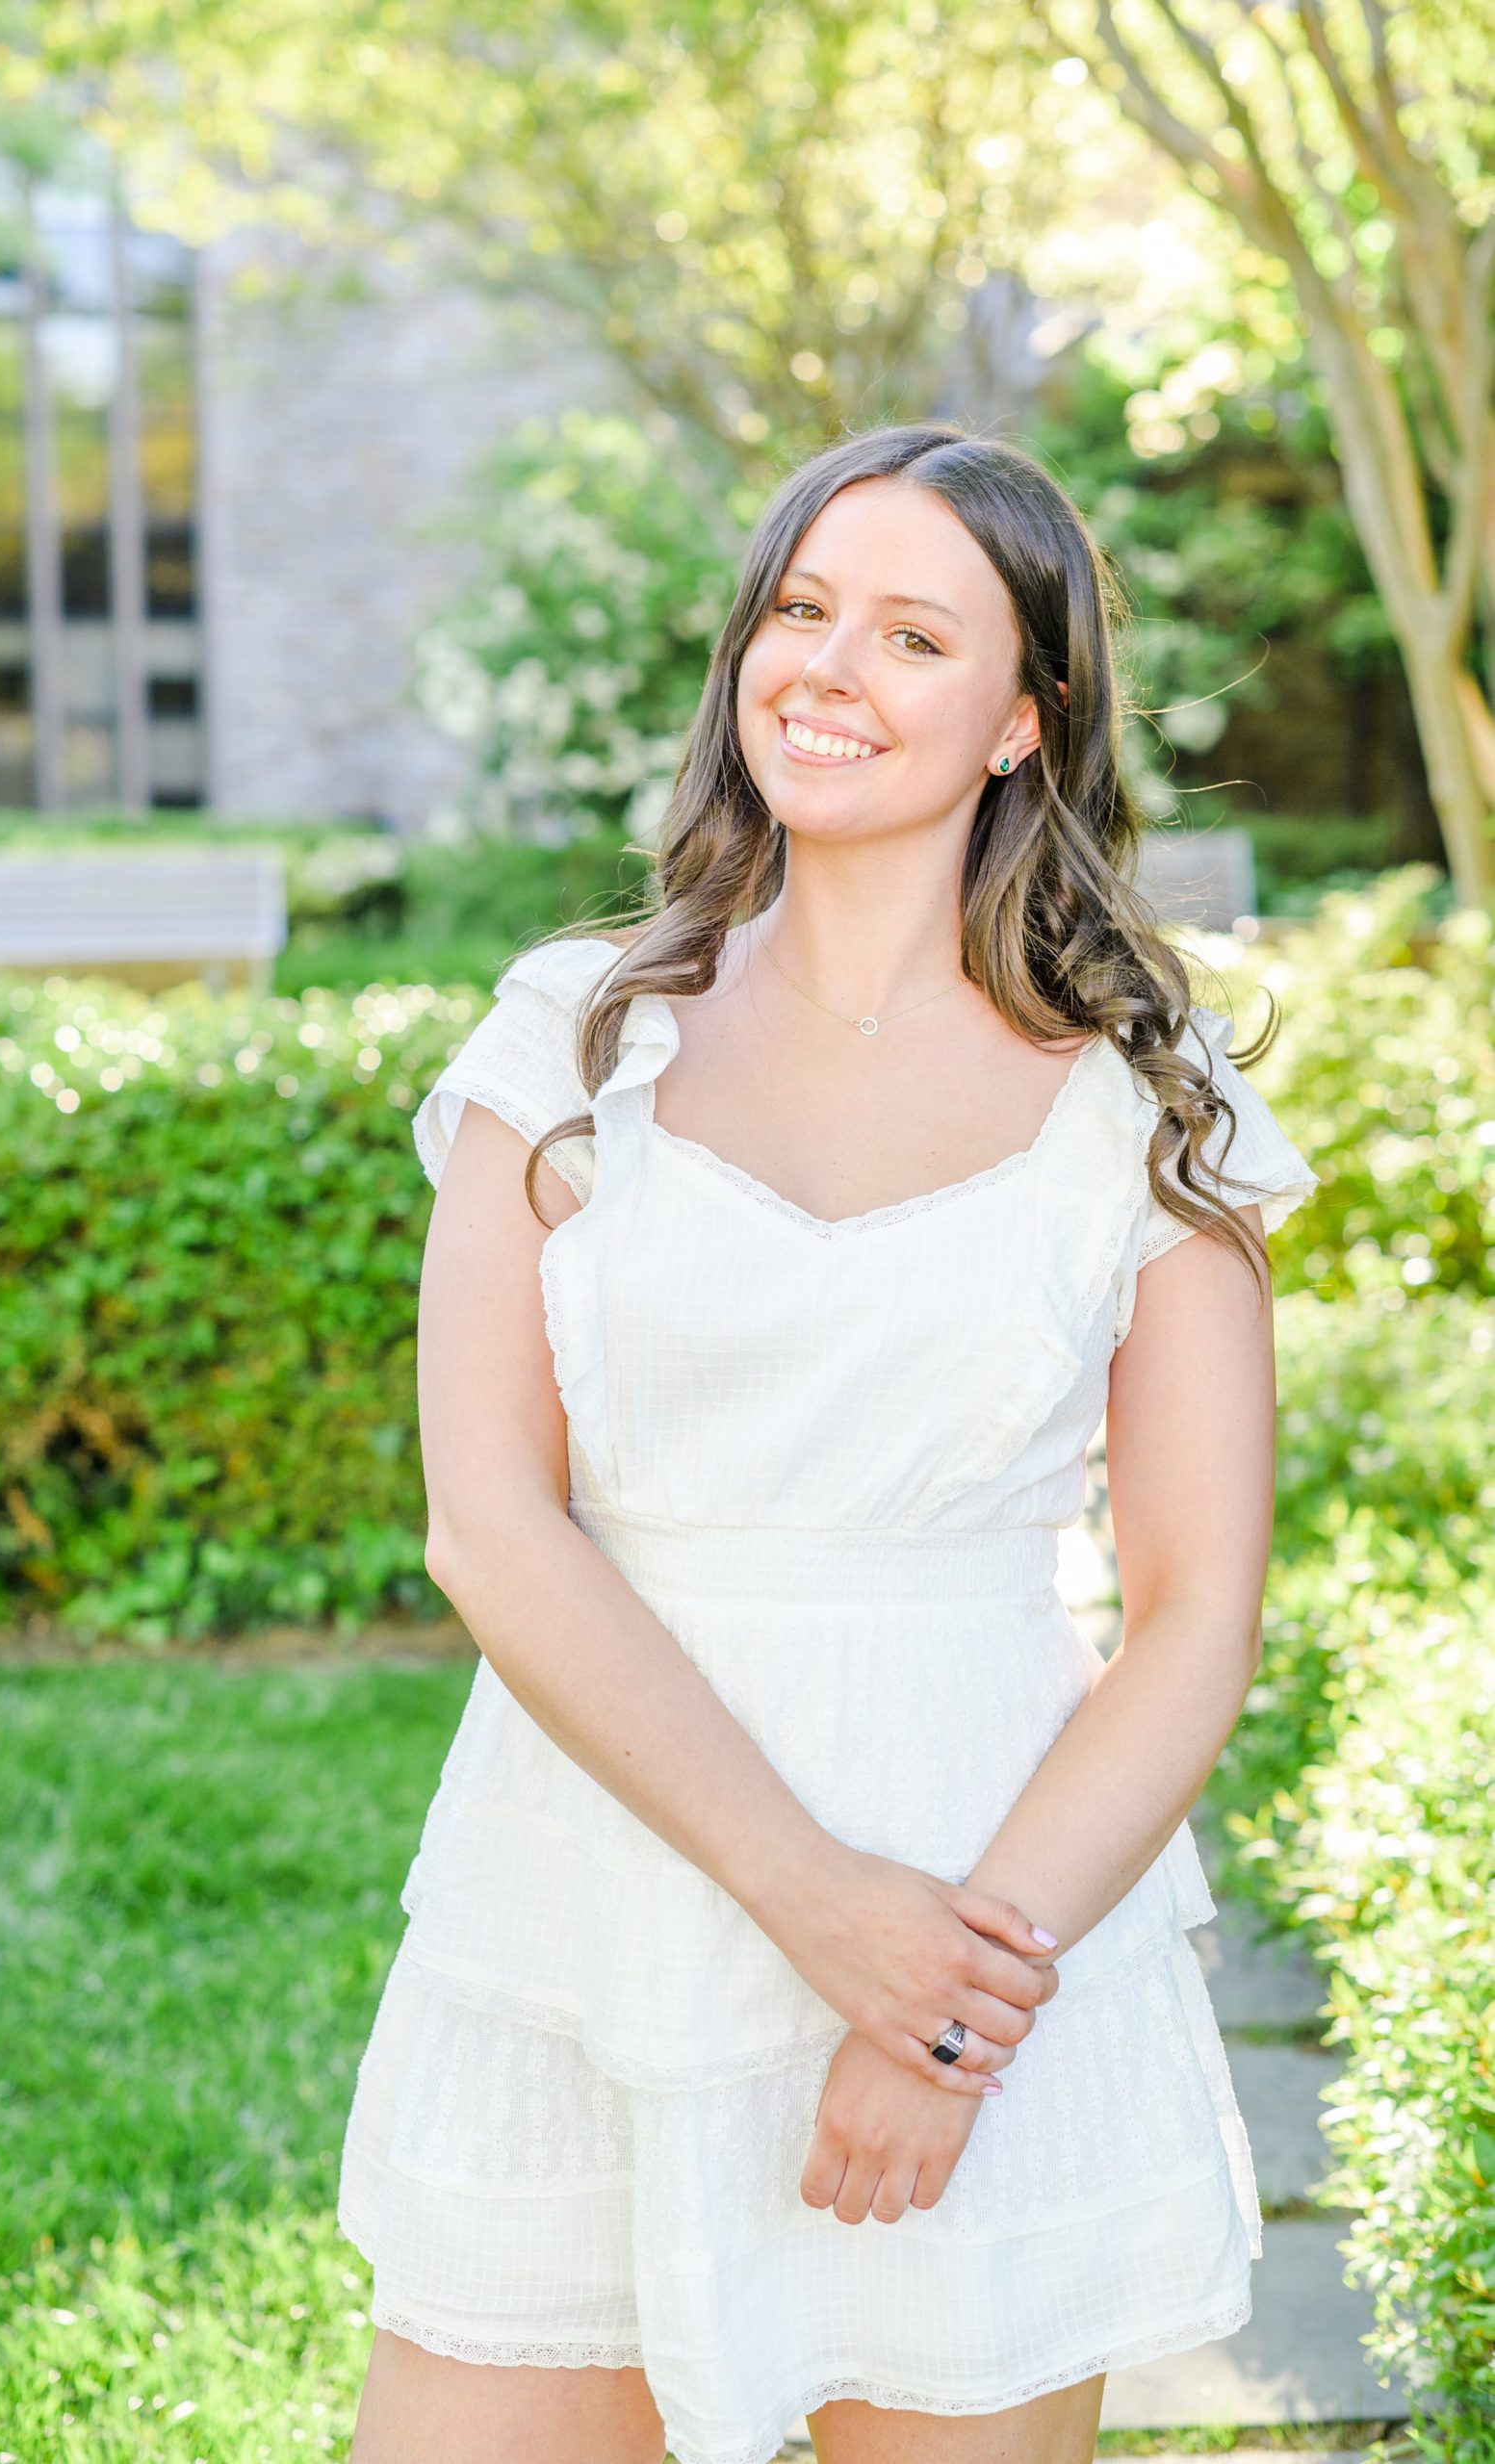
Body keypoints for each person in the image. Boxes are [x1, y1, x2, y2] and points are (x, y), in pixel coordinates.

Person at [337, 421, 1320, 2464]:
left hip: (990, 1907)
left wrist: (944, 2005)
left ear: (1021, 724)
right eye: (798, 608)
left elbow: (1197, 1611)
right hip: (593, 1884)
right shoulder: (571, 1033)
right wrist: (811, 1899)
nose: (826, 666)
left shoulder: (1146, 1094)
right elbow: (489, 1523)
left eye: (908, 631)